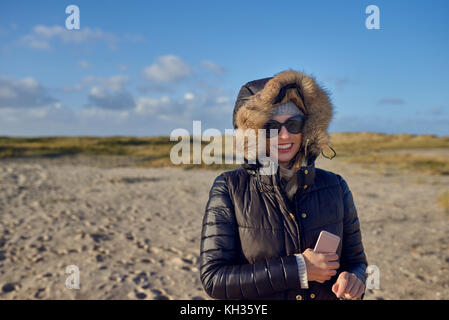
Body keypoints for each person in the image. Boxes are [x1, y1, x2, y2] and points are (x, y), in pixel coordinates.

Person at [200, 69, 368, 300]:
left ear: (308, 127)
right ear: (254, 133)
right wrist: (299, 269)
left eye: (294, 123)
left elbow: (356, 262)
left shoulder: (336, 186)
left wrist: (354, 280)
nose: (285, 136)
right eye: (271, 127)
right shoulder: (229, 188)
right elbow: (214, 279)